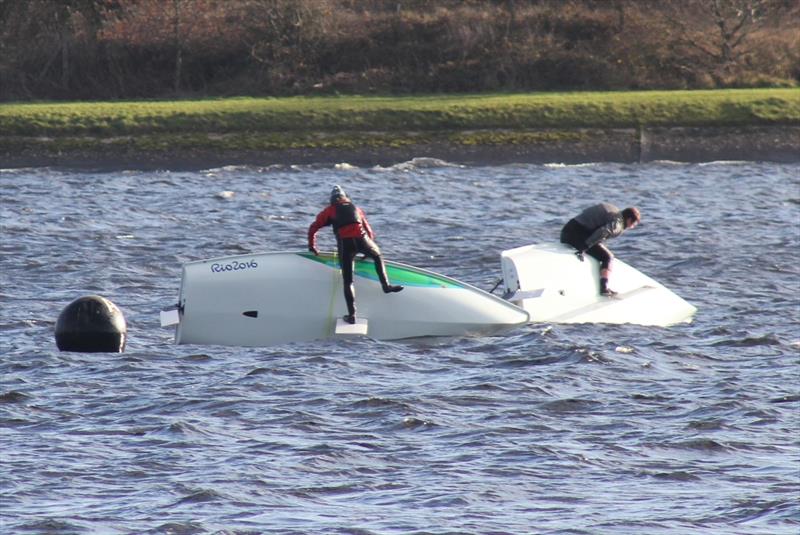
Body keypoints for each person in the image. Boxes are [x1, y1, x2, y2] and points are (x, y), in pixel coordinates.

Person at [308, 185, 403, 324]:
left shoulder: (329, 210)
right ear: (345, 197)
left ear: (332, 200)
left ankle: (352, 315)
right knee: (377, 256)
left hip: (346, 245)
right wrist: (368, 251)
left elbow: (313, 228)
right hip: (362, 240)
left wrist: (312, 246)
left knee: (348, 281)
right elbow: (369, 231)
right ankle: (386, 286)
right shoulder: (357, 209)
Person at [560, 203, 641, 296]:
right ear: (629, 220)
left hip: (567, 231)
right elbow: (603, 231)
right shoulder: (618, 223)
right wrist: (584, 247)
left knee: (600, 248)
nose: (632, 227)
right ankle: (604, 288)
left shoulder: (614, 210)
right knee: (608, 257)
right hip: (575, 236)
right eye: (633, 225)